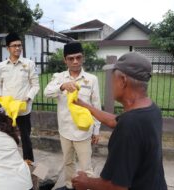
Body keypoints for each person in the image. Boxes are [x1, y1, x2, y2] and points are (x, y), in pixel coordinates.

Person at [71, 52, 167, 190]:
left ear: (123, 80)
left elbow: (117, 187)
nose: (111, 83)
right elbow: (113, 121)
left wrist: (86, 182)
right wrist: (84, 105)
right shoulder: (151, 109)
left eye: (112, 78)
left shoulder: (129, 125)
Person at [44, 42, 101, 190]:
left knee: (86, 166)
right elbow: (46, 93)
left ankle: (88, 187)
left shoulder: (91, 79)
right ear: (65, 60)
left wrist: (96, 130)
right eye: (71, 58)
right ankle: (70, 186)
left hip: (83, 131)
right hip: (65, 130)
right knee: (68, 162)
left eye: (78, 57)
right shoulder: (59, 77)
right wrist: (62, 86)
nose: (75, 61)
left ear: (83, 58)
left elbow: (96, 106)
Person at [0, 32, 39, 165]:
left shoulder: (28, 64)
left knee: (26, 137)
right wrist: (0, 96)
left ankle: (28, 162)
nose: (18, 48)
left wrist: (28, 97)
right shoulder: (1, 66)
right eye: (14, 46)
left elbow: (35, 85)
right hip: (8, 110)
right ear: (8, 48)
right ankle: (9, 162)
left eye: (19, 45)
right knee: (7, 136)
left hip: (23, 109)